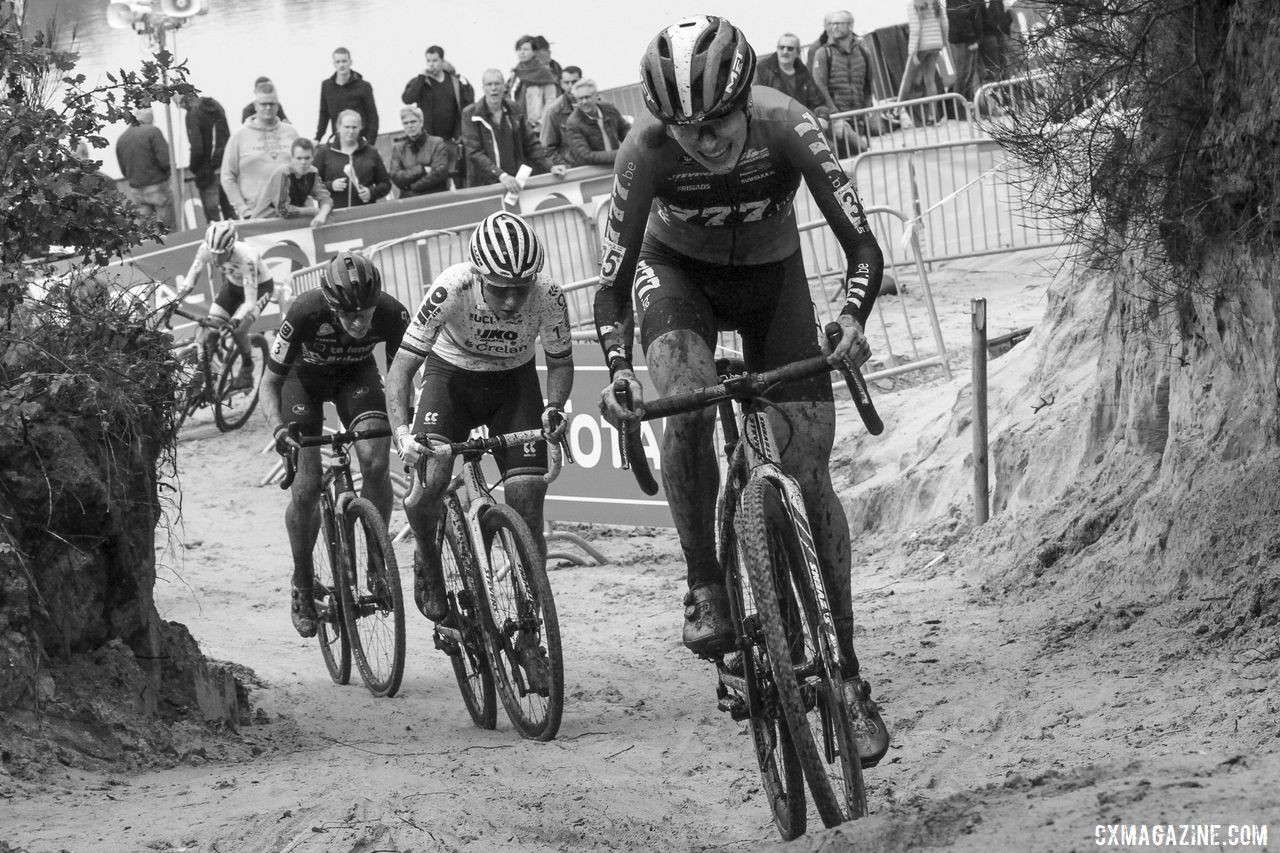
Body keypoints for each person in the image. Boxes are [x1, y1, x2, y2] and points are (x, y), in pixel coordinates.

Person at [593, 15, 890, 767]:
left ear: (743, 97)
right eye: (686, 127)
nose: (706, 139)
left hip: (772, 281)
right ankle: (706, 584)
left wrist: (851, 317)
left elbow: (862, 244)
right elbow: (610, 288)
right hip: (678, 279)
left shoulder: (787, 123)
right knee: (688, 399)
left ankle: (847, 676)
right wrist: (620, 368)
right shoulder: (646, 151)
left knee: (811, 469)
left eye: (718, 120)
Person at [385, 212, 573, 630]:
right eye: (501, 290)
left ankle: (531, 626)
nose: (511, 301)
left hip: (514, 385)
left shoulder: (548, 295)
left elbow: (560, 364)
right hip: (451, 381)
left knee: (527, 503)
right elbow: (400, 372)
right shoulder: (452, 288)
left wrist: (555, 406)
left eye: (520, 290)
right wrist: (402, 434)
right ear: (479, 275)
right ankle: (428, 561)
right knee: (431, 482)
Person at [262, 252, 410, 638]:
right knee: (307, 487)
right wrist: (279, 431)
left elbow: (401, 378)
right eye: (349, 315)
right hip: (303, 384)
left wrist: (404, 425)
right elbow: (268, 383)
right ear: (330, 305)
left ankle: (377, 564)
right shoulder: (305, 311)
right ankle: (303, 582)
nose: (359, 323)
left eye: (366, 313)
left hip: (356, 378)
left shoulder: (393, 314)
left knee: (376, 463)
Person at [176, 220, 275, 390]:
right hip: (233, 285)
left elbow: (250, 302)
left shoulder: (247, 257)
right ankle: (208, 372)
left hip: (259, 288)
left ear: (231, 248)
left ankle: (247, 367)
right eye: (213, 253)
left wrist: (235, 320)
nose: (215, 258)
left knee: (238, 330)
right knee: (211, 327)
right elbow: (190, 279)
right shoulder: (205, 248)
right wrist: (175, 301)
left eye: (220, 254)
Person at [461, 69, 566, 193]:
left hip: (515, 181)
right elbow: (474, 152)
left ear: (504, 86)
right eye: (489, 84)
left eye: (497, 83)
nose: (494, 88)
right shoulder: (470, 113)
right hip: (484, 185)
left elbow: (530, 143)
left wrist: (550, 166)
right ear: (483, 88)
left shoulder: (514, 108)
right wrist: (501, 175)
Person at [223, 81, 300, 218]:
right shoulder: (239, 136)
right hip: (256, 214)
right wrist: (243, 209)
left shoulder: (291, 133)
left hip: (292, 210)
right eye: (264, 104)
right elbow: (228, 177)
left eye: (272, 104)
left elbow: (304, 170)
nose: (268, 108)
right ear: (255, 106)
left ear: (278, 105)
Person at [401, 45, 474, 188]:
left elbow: (469, 100)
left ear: (442, 61)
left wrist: (461, 132)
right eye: (428, 61)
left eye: (434, 60)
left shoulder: (454, 80)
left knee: (456, 176)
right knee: (435, 178)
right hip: (430, 141)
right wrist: (421, 77)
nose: (431, 64)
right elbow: (407, 98)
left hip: (452, 139)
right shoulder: (421, 82)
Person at [809, 11, 877, 152]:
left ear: (850, 26)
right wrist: (835, 116)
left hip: (858, 120)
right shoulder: (823, 53)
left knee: (860, 159)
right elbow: (820, 88)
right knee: (863, 151)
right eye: (832, 24)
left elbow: (868, 85)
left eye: (839, 23)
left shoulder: (864, 52)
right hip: (836, 121)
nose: (834, 27)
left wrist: (865, 110)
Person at [754, 34, 839, 140]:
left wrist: (822, 117)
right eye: (781, 47)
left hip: (804, 129)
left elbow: (819, 102)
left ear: (797, 52)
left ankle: (865, 150)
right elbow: (756, 101)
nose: (785, 52)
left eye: (790, 48)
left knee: (837, 136)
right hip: (776, 133)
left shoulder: (804, 73)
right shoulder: (763, 71)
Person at [313, 109, 391, 209]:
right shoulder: (324, 152)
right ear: (338, 127)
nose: (350, 131)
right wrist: (331, 186)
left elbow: (385, 184)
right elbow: (311, 184)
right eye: (347, 127)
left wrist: (371, 192)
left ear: (360, 128)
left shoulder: (371, 152)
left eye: (354, 127)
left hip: (365, 212)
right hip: (334, 214)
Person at [115, 106, 174, 230]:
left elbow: (123, 169)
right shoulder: (153, 131)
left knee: (146, 228)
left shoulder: (122, 139)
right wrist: (169, 172)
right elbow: (165, 160)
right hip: (157, 184)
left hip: (136, 189)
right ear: (149, 119)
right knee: (166, 226)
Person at [250, 138, 333, 225]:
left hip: (287, 224)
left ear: (312, 158)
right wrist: (312, 211)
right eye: (299, 158)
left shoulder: (313, 172)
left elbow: (326, 198)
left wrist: (322, 214)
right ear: (292, 158)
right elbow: (283, 210)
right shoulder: (284, 172)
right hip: (262, 224)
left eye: (307, 158)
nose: (303, 162)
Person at [181, 92, 235, 223]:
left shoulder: (193, 114)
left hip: (207, 170)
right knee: (229, 211)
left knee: (213, 216)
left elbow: (197, 147)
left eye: (173, 96)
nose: (173, 101)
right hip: (225, 165)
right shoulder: (215, 106)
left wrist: (194, 168)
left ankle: (217, 242)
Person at [898, 0, 950, 125]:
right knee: (930, 80)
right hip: (935, 44)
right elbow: (945, 23)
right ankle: (932, 116)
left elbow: (915, 29)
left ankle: (896, 110)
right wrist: (943, 41)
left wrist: (912, 51)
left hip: (921, 46)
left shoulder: (914, 4)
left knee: (907, 79)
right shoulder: (936, 2)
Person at [315, 46, 379, 144]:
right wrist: (318, 138)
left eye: (344, 61)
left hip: (360, 139)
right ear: (334, 64)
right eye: (338, 62)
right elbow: (324, 114)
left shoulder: (364, 86)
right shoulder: (326, 85)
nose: (341, 65)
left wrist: (370, 142)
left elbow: (373, 116)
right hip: (338, 138)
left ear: (350, 62)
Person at [561, 79, 630, 167]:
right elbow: (585, 156)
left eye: (587, 97)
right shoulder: (573, 123)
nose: (584, 102)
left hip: (616, 165)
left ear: (596, 96)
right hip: (591, 171)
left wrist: (635, 144)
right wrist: (620, 154)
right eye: (580, 99)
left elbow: (625, 130)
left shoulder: (609, 109)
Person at [388, 106, 451, 197]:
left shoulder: (437, 143)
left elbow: (439, 173)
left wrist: (413, 187)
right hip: (408, 200)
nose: (410, 126)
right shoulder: (398, 149)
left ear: (421, 122)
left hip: (434, 196)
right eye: (406, 123)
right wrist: (422, 169)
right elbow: (396, 177)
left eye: (413, 121)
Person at [506, 34, 560, 132]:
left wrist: (541, 123)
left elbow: (550, 101)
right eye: (519, 49)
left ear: (534, 52)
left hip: (536, 127)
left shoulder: (544, 72)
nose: (522, 53)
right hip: (517, 125)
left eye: (526, 49)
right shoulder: (515, 73)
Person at [539, 65, 582, 167]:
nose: (571, 86)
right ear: (562, 84)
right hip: (571, 169)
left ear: (582, 81)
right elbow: (546, 147)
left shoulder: (595, 104)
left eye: (574, 82)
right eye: (567, 83)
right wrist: (564, 166)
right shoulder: (554, 111)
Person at [946, 0, 985, 114]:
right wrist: (972, 38)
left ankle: (966, 105)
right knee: (964, 74)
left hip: (967, 38)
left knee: (968, 74)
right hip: (964, 39)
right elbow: (961, 16)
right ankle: (959, 108)